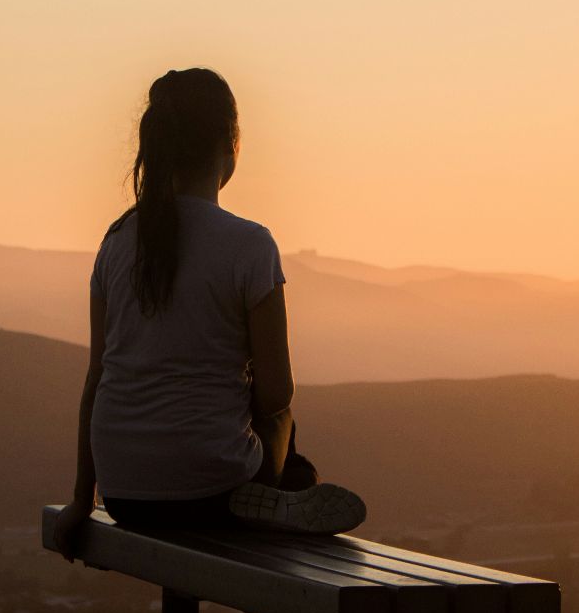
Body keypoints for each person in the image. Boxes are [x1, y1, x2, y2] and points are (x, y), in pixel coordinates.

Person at [50, 68, 365, 559]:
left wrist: (79, 500)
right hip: (212, 490)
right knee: (284, 423)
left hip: (125, 494)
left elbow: (97, 378)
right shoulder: (250, 245)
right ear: (230, 144)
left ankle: (278, 491)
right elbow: (277, 392)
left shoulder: (115, 242)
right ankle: (284, 491)